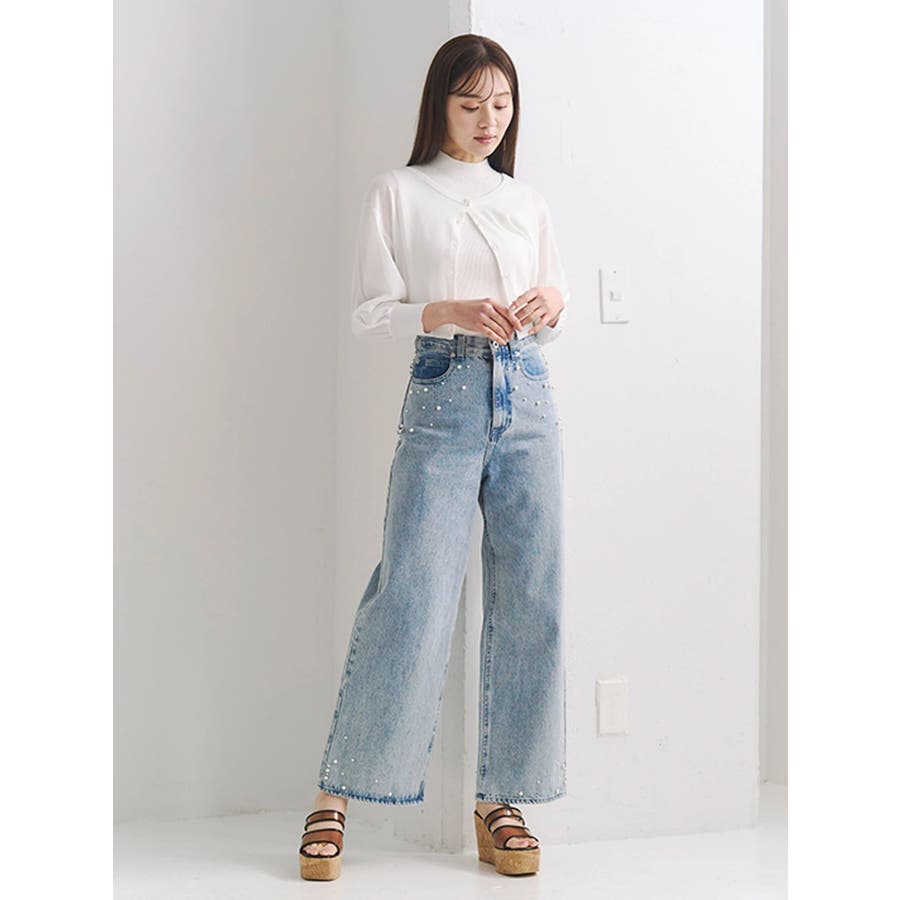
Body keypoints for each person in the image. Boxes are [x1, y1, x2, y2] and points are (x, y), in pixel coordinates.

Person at [299, 33, 569, 881]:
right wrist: (444, 308)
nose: (489, 120)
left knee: (532, 595)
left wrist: (550, 301)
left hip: (528, 396)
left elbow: (553, 305)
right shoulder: (399, 191)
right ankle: (336, 793)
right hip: (444, 393)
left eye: (502, 103)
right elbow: (368, 311)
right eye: (470, 103)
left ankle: (501, 801)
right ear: (439, 106)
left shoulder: (525, 201)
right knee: (411, 592)